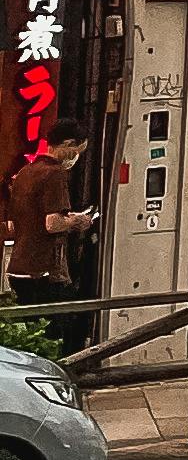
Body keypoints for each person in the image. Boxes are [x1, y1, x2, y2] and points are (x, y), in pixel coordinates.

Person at [5, 113, 96, 326]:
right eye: (76, 151)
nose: (76, 157)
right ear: (67, 144)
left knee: (30, 333)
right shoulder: (55, 174)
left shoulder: (26, 172)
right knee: (53, 332)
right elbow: (52, 223)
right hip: (42, 270)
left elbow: (15, 223)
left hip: (18, 267)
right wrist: (78, 221)